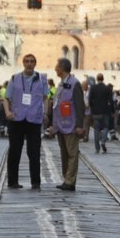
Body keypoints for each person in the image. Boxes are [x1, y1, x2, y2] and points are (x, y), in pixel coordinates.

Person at [3, 53, 46, 190]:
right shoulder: (15, 78)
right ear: (23, 63)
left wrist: (45, 112)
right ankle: (12, 181)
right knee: (15, 150)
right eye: (27, 61)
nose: (29, 63)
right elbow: (6, 97)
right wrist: (7, 112)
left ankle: (35, 182)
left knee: (34, 152)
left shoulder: (42, 79)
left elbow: (46, 97)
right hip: (17, 118)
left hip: (34, 119)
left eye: (32, 61)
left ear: (35, 63)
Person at [49, 57, 87, 190]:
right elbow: (56, 105)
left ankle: (70, 181)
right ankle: (67, 178)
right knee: (64, 154)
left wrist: (79, 125)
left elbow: (79, 106)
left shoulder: (75, 83)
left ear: (62, 68)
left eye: (57, 66)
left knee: (72, 154)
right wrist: (54, 124)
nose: (55, 68)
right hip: (60, 125)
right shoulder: (60, 84)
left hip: (71, 125)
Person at [89, 75, 114, 152]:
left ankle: (97, 148)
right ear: (103, 79)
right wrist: (112, 110)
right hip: (105, 111)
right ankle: (103, 141)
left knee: (96, 129)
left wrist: (92, 107)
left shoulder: (93, 88)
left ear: (97, 79)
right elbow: (111, 101)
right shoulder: (107, 88)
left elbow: (90, 99)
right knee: (106, 127)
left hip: (96, 111)